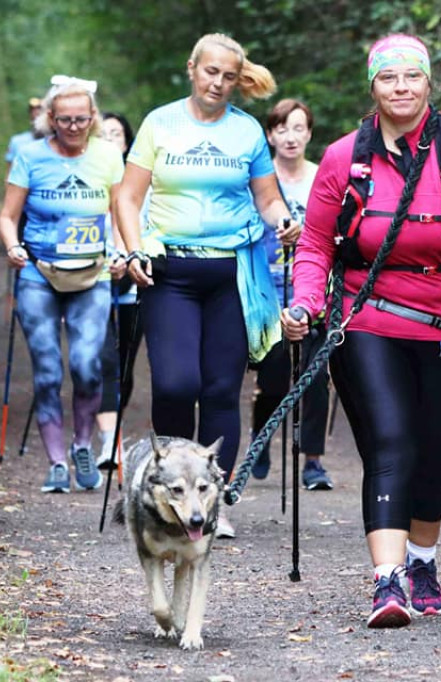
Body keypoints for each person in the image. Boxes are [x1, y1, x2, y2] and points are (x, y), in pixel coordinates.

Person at [281, 34, 441, 628]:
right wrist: (305, 302)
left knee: (433, 452)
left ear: (428, 83)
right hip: (369, 318)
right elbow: (314, 244)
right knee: (391, 441)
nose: (401, 87)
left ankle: (422, 563)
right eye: (388, 77)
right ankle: (387, 582)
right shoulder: (345, 157)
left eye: (411, 76)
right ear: (373, 86)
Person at [116, 33, 299, 540]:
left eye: (228, 76)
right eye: (210, 71)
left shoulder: (246, 132)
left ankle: (213, 501)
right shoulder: (160, 123)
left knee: (221, 389)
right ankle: (172, 493)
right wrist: (134, 248)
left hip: (232, 274)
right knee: (176, 384)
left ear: (238, 81)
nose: (218, 82)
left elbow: (267, 199)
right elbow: (128, 198)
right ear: (192, 68)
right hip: (170, 271)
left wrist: (283, 219)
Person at [0, 76, 125, 494]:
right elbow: (7, 216)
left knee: (87, 367)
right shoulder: (30, 156)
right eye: (65, 119)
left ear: (93, 118)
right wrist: (13, 246)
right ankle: (55, 463)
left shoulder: (108, 156)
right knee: (48, 371)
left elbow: (120, 210)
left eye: (81, 119)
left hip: (92, 275)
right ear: (50, 118)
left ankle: (82, 445)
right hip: (38, 274)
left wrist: (122, 251)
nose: (73, 126)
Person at [249, 98, 333, 491]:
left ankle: (312, 461)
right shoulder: (259, 180)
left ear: (310, 134)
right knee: (274, 378)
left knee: (315, 376)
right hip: (268, 292)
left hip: (313, 293)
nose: (290, 137)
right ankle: (261, 439)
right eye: (282, 129)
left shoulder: (322, 177)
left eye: (298, 128)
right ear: (270, 135)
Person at [94, 111, 143, 468]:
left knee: (124, 365)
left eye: (117, 134)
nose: (111, 140)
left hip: (133, 290)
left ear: (127, 143)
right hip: (93, 286)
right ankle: (109, 442)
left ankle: (114, 425)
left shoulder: (141, 182)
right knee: (104, 363)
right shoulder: (87, 178)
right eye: (104, 134)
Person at [4, 97, 44, 172]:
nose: (37, 113)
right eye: (33, 111)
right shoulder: (17, 141)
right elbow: (10, 171)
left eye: (40, 109)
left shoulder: (56, 143)